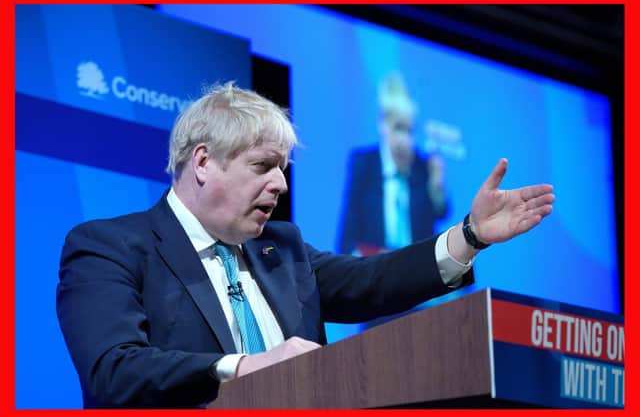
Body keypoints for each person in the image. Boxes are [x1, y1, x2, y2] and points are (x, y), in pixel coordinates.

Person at [56, 82, 554, 408]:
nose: (280, 185)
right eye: (262, 166)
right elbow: (113, 371)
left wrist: (469, 235)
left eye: (283, 169)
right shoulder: (112, 246)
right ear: (203, 162)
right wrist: (248, 368)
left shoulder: (283, 248)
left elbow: (372, 283)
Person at [338, 72, 447, 255]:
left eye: (410, 131)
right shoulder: (363, 164)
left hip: (413, 272)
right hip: (374, 270)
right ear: (383, 124)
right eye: (398, 128)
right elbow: (347, 237)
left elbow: (440, 214)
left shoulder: (423, 166)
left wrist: (436, 189)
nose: (404, 140)